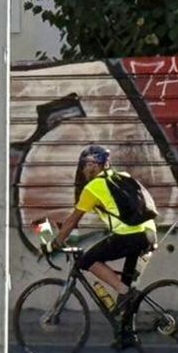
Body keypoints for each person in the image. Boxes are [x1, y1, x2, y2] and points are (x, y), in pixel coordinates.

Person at [50, 145, 157, 339]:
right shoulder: (123, 176)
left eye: (85, 165)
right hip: (148, 233)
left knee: (87, 261)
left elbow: (73, 220)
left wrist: (56, 242)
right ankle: (126, 335)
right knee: (125, 292)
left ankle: (125, 292)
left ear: (93, 165)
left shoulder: (92, 188)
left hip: (129, 236)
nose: (83, 170)